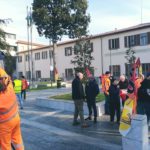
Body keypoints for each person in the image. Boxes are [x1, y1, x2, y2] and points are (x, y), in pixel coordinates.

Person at [0, 68, 24, 150]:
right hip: (16, 119)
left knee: (5, 146)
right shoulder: (10, 87)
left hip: (5, 126)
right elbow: (6, 76)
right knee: (18, 141)